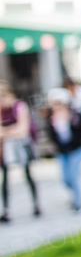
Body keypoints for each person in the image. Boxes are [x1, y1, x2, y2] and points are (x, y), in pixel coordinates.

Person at [0, 81, 40, 221]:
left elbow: (23, 129)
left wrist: (6, 132)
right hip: (6, 148)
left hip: (22, 145)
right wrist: (12, 131)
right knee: (5, 179)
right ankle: (6, 210)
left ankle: (36, 204)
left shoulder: (19, 106)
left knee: (28, 175)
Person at [46, 87, 81, 212]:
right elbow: (51, 135)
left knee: (74, 175)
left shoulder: (75, 114)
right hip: (62, 150)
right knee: (65, 178)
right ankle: (76, 194)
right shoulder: (51, 118)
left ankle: (78, 201)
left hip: (76, 149)